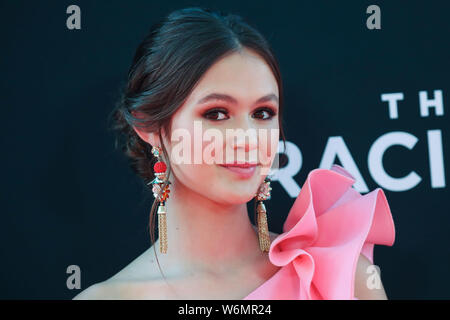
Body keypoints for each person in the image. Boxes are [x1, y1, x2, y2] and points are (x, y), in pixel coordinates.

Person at [73, 6, 395, 300]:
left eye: (263, 113)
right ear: (152, 129)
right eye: (216, 114)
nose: (247, 139)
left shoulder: (341, 275)